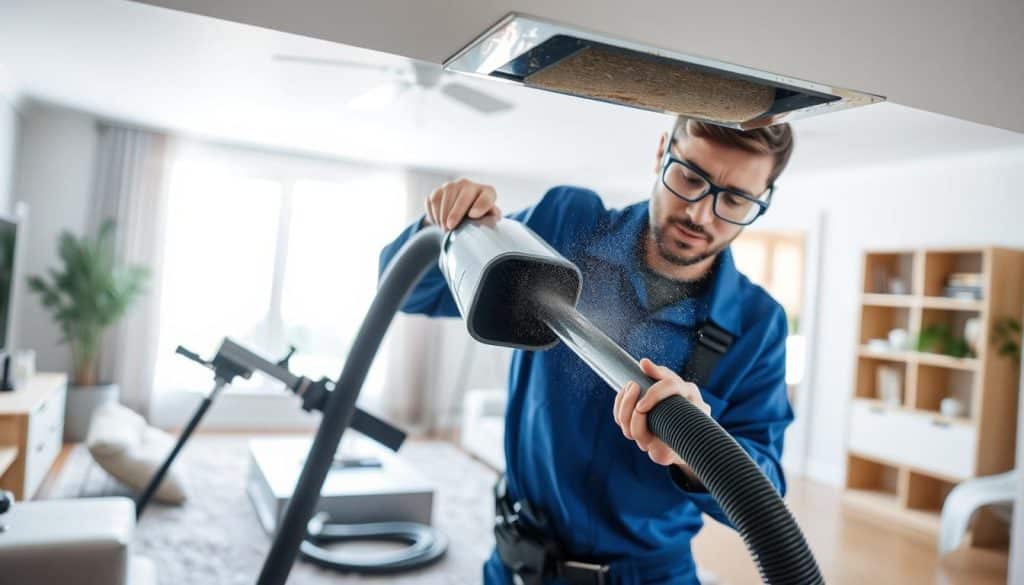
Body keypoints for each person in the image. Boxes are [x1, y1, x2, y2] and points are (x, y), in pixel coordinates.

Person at [379, 116, 796, 585]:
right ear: (662, 152)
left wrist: (691, 451)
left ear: (764, 198)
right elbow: (407, 288)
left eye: (735, 199)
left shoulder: (757, 325)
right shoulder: (567, 223)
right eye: (691, 178)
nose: (700, 214)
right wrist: (451, 226)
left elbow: (764, 498)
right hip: (519, 565)